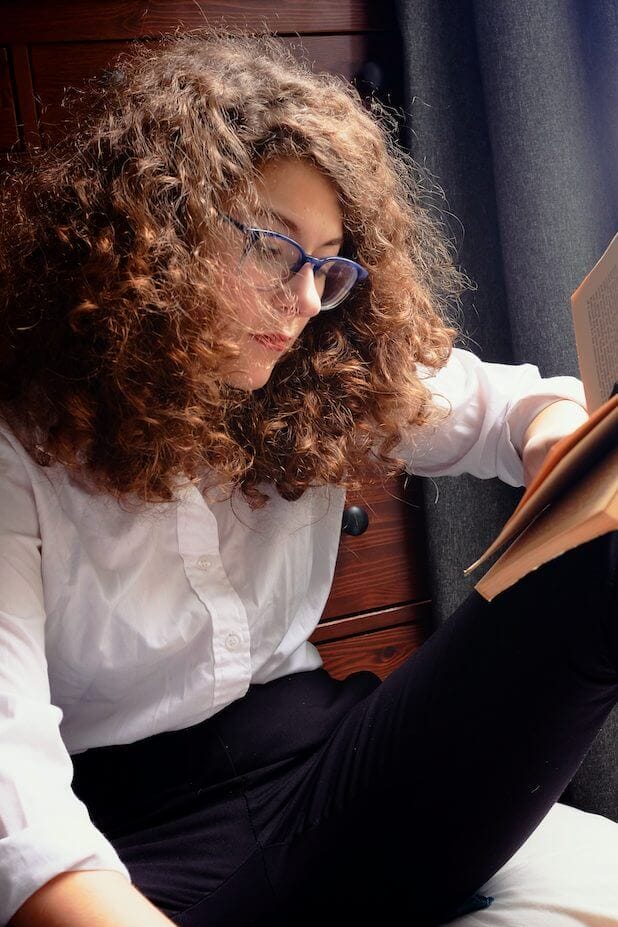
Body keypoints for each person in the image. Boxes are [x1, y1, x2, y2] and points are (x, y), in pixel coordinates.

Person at [0, 28, 615, 927]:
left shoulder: (314, 366)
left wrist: (560, 441)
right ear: (157, 223)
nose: (301, 303)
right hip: (144, 841)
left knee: (601, 553)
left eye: (328, 267)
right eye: (271, 246)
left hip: (339, 768)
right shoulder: (23, 443)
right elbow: (19, 802)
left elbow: (503, 408)